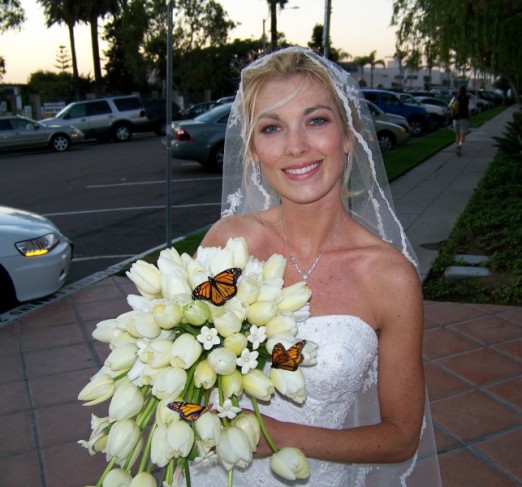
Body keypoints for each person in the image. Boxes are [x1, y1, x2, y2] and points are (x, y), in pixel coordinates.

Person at [192, 47, 441, 486]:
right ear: (253, 149)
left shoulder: (389, 277)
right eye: (272, 127)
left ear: (348, 135)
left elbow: (401, 438)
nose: (296, 146)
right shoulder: (227, 244)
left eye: (316, 120)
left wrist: (277, 435)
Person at [450, 85, 470, 156]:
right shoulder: (467, 98)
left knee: (457, 133)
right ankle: (460, 145)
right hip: (464, 118)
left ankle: (457, 144)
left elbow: (450, 106)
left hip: (456, 118)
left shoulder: (455, 98)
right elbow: (470, 109)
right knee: (462, 134)